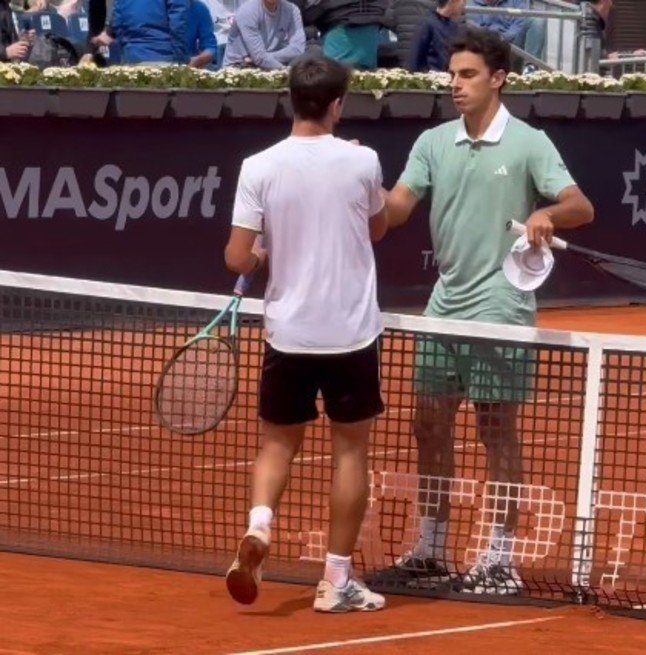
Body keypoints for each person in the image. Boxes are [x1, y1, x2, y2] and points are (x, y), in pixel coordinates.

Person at [380, 27, 593, 595]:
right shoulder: (432, 143)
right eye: (452, 75)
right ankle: (430, 549)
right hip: (445, 301)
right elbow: (396, 208)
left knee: (496, 428)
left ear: (498, 78)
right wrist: (354, 199)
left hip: (501, 301)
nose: (456, 85)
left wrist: (549, 213)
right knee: (428, 423)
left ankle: (500, 559)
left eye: (468, 75)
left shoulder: (529, 143)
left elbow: (581, 206)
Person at [223, 54, 388, 613]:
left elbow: (236, 257)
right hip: (350, 334)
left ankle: (261, 528)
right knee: (350, 452)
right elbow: (379, 227)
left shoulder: (258, 166)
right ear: (338, 104)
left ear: (291, 100)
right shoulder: (363, 162)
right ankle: (336, 581)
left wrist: (264, 251)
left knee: (276, 444)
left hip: (287, 335)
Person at [93, 0, 190, 64]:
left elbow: (118, 20)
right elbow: (178, 23)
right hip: (163, 57)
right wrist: (181, 60)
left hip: (131, 57)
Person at [222, 0, 305, 70]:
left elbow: (298, 49)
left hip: (267, 64)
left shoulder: (292, 10)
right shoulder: (248, 11)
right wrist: (284, 71)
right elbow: (259, 58)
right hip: (239, 67)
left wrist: (268, 57)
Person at [408, 0, 464, 73]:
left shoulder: (454, 27)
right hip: (430, 78)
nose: (463, 7)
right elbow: (415, 57)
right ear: (453, 1)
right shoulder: (427, 24)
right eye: (463, 1)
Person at [187, 0, 218, 68]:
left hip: (187, 66)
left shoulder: (198, 8)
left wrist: (198, 60)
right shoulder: (158, 9)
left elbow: (210, 47)